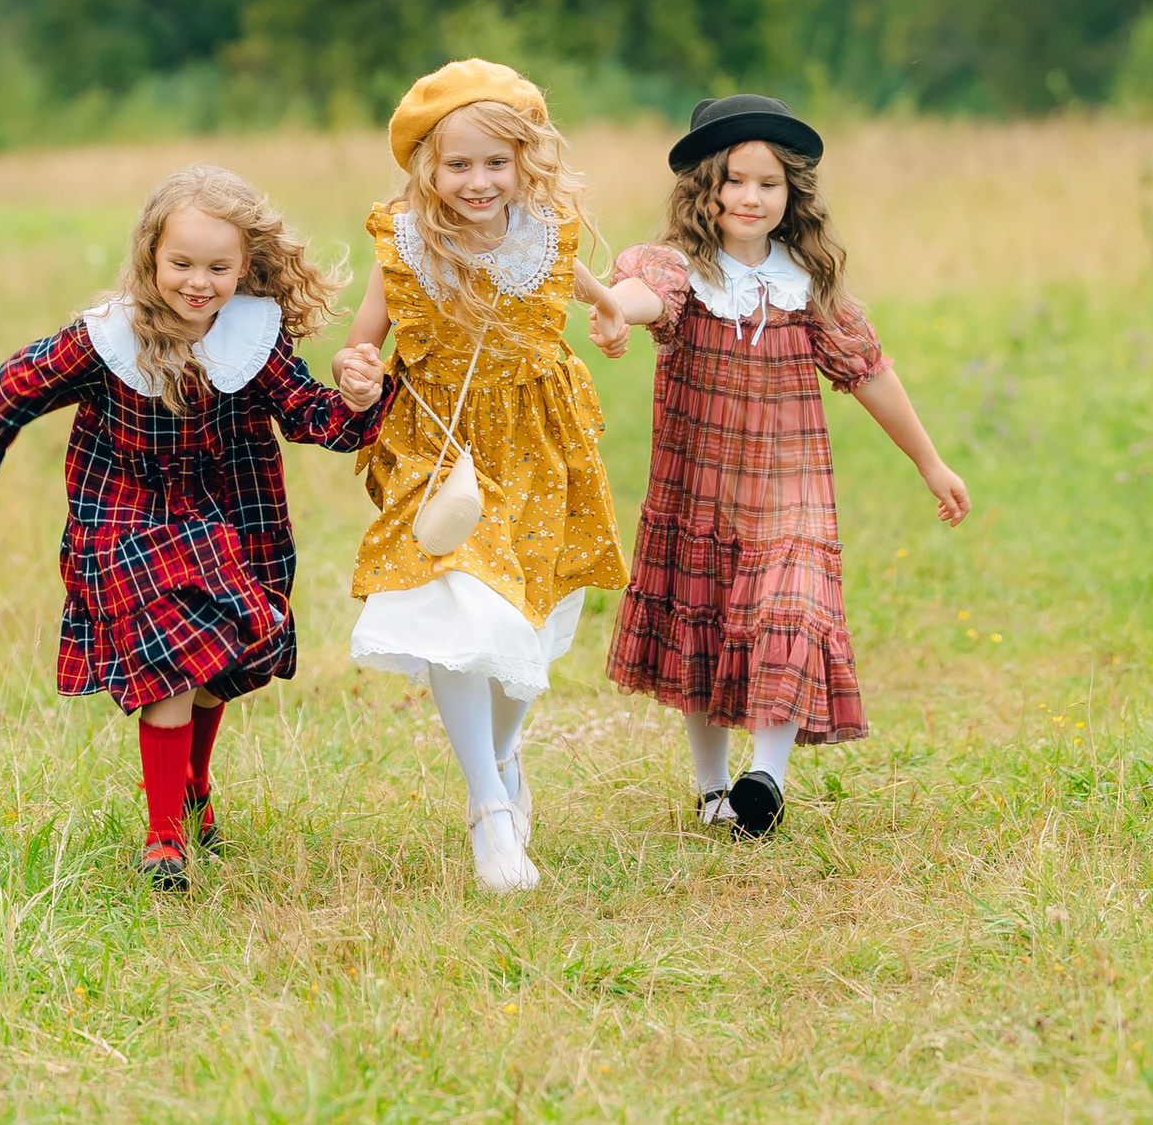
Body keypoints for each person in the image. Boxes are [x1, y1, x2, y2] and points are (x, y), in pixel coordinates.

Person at [0, 166, 386, 891]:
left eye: (217, 267)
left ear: (245, 266)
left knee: (216, 672)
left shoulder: (252, 341)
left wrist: (360, 399)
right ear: (150, 257)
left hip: (233, 519)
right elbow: (16, 385)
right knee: (173, 663)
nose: (197, 283)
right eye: (181, 264)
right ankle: (163, 834)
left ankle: (195, 786)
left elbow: (312, 418)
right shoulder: (108, 339)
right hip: (129, 519)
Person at [598, 92, 968, 835]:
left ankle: (765, 774)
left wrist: (930, 463)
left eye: (769, 184)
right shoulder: (679, 268)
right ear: (706, 186)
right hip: (698, 487)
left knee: (793, 609)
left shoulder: (808, 283)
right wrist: (613, 307)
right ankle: (712, 791)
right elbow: (642, 295)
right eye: (735, 180)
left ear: (791, 193)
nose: (751, 197)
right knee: (700, 632)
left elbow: (869, 373)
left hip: (790, 488)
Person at [334, 60, 628, 897]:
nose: (478, 181)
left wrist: (607, 307)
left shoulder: (547, 230)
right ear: (427, 168)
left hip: (542, 445)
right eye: (458, 165)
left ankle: (502, 753)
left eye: (495, 163)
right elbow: (361, 343)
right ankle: (488, 806)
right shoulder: (404, 243)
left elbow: (574, 281)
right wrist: (357, 373)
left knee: (525, 618)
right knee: (459, 599)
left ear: (525, 161)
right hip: (439, 448)